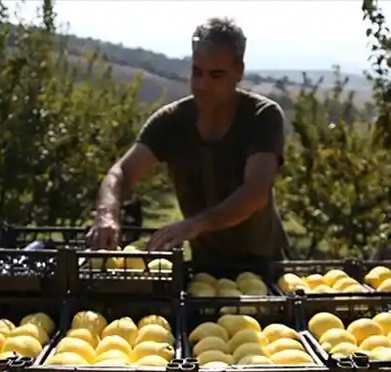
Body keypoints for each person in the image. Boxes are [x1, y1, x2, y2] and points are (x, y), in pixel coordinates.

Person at [86, 17, 289, 269]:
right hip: (204, 267)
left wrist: (197, 223)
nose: (203, 85)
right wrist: (107, 215)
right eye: (197, 72)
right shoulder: (171, 121)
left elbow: (255, 192)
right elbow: (122, 173)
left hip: (264, 265)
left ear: (239, 71)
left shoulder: (262, 116)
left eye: (216, 75)